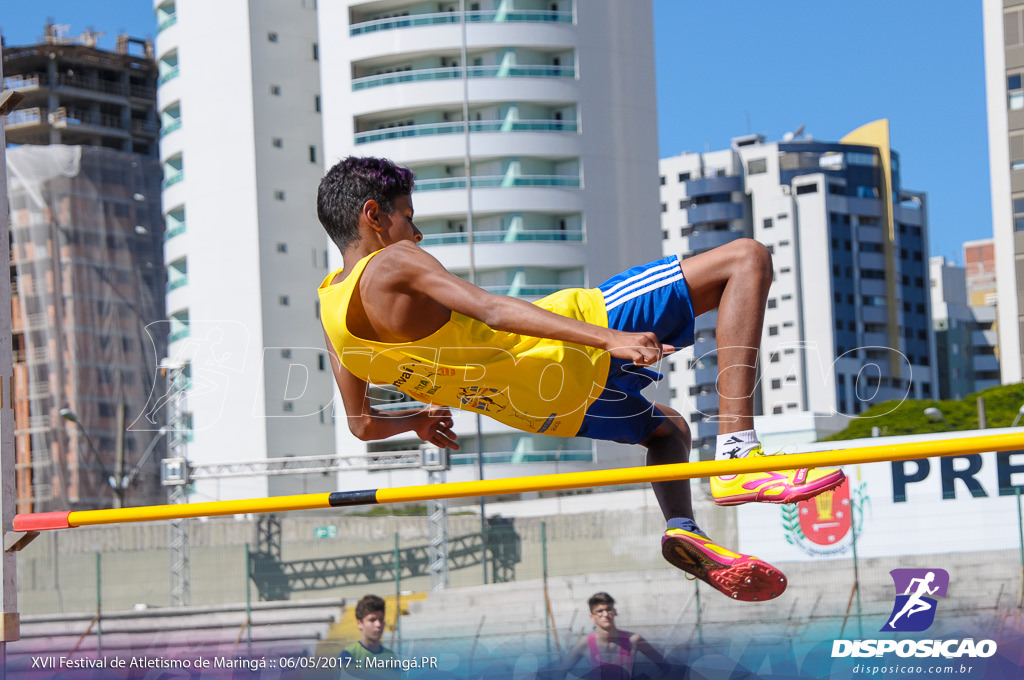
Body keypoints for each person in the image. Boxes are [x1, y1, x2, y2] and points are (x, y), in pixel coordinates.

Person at [317, 156, 846, 602]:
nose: (417, 231)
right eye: (408, 217)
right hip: (573, 339)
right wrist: (607, 339)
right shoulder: (391, 263)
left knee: (669, 431)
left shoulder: (330, 316)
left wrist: (417, 421)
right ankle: (736, 455)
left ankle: (683, 530)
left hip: (542, 408)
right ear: (373, 216)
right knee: (746, 259)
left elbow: (362, 426)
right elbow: (493, 309)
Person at [561, 592, 669, 680]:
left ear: (615, 612)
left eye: (608, 609)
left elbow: (666, 667)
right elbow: (560, 673)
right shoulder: (585, 644)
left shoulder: (633, 640)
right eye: (600, 611)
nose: (605, 614)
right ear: (592, 617)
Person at [339, 595, 402, 679]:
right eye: (372, 620)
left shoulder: (391, 656)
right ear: (359, 623)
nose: (378, 624)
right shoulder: (349, 654)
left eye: (381, 619)